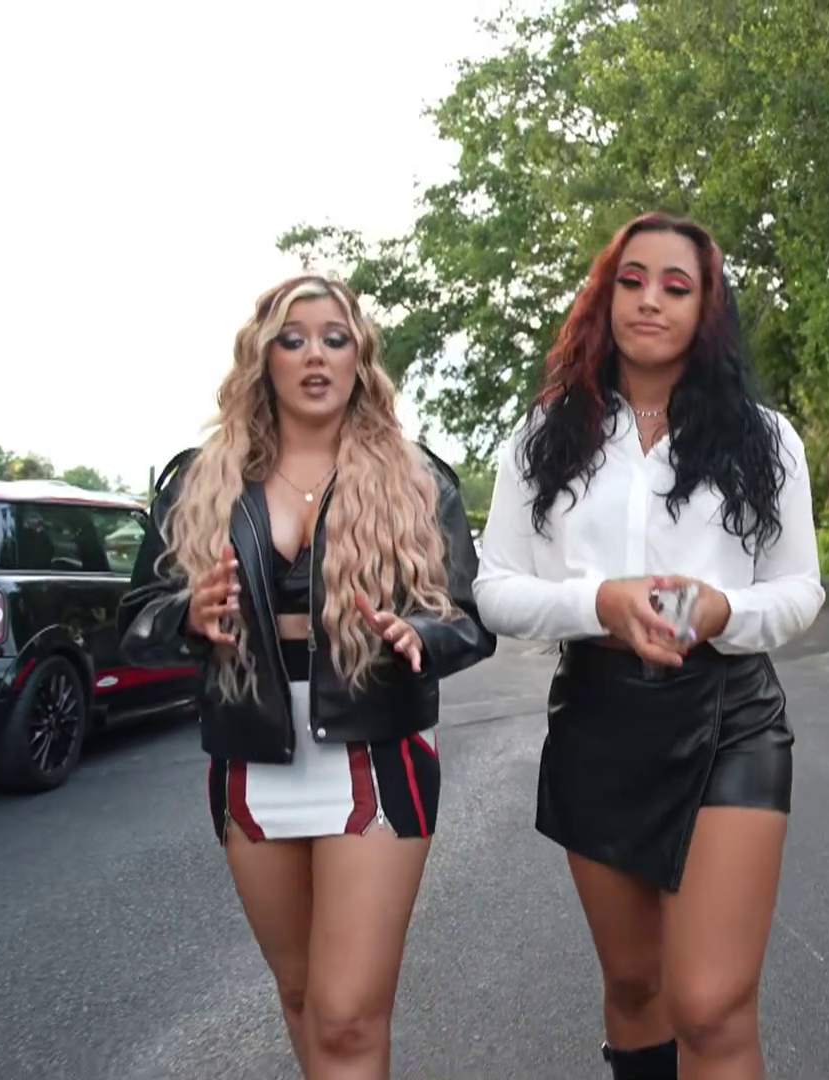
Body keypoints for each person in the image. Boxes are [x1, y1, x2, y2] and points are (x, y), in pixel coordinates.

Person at [117, 273, 496, 1079]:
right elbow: (137, 620)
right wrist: (189, 614)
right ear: (264, 359)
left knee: (348, 1015)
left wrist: (419, 632)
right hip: (250, 754)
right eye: (293, 340)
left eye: (334, 338)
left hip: (375, 751)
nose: (315, 356)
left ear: (361, 357)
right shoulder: (199, 479)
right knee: (300, 998)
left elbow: (469, 618)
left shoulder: (417, 478)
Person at [473, 212, 823, 1080]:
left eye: (676, 285)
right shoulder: (545, 436)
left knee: (709, 1002)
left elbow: (799, 592)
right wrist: (599, 602)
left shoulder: (765, 439)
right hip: (598, 720)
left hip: (731, 719)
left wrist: (721, 612)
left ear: (708, 308)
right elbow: (495, 590)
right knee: (635, 985)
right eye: (631, 281)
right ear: (605, 298)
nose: (650, 301)